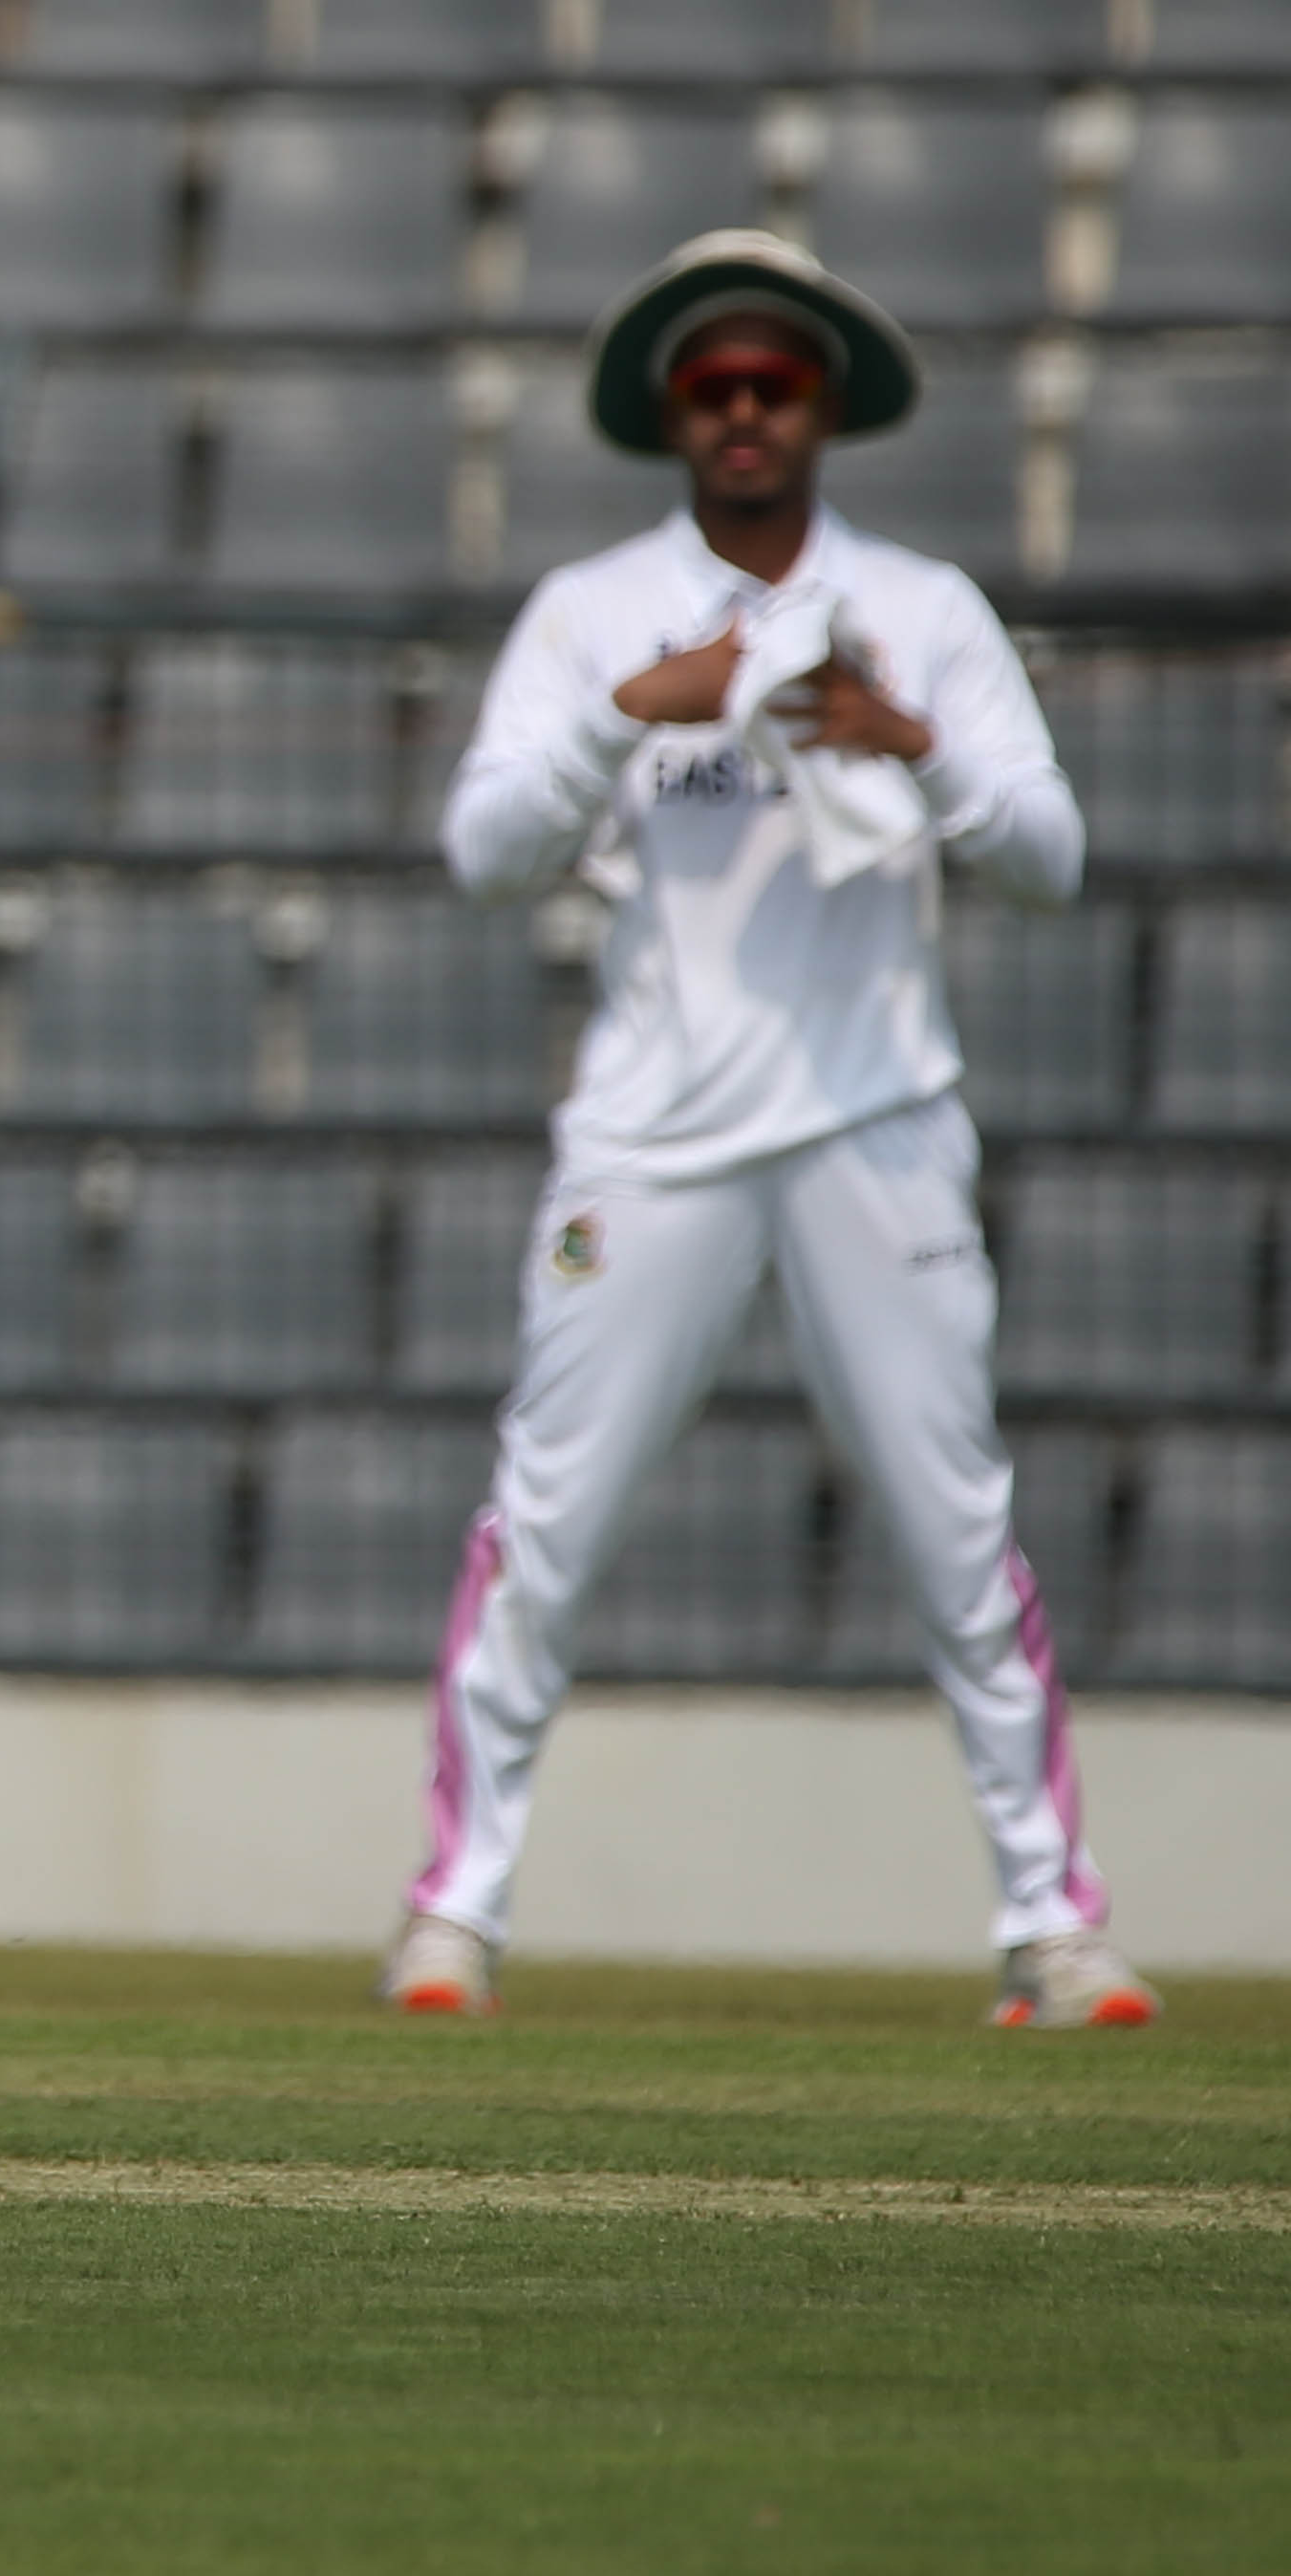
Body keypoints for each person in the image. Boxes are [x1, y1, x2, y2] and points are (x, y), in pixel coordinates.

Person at [390, 231, 1147, 2029]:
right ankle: (450, 1918)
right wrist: (620, 716)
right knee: (547, 1521)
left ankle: (1055, 1932)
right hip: (651, 1140)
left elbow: (1050, 861)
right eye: (715, 387)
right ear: (675, 410)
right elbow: (484, 853)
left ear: (823, 409)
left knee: (960, 1532)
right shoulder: (590, 613)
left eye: (775, 385)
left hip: (878, 1126)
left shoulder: (930, 609)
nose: (744, 412)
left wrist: (908, 743)